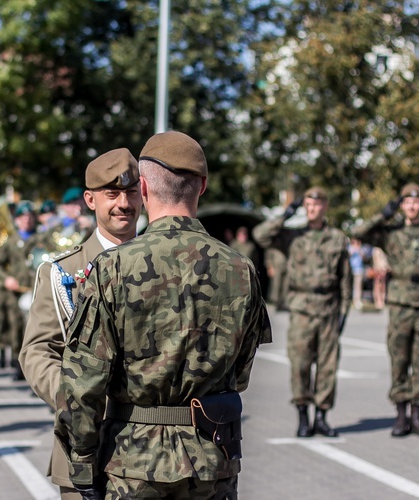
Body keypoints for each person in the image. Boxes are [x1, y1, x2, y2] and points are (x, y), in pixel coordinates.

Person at [54, 131, 271, 499]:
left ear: (143, 186)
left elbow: (83, 382)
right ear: (202, 187)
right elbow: (241, 372)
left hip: (132, 466)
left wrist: (83, 462)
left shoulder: (113, 267)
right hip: (211, 462)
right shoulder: (240, 269)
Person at [20, 148, 142, 499]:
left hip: (154, 453)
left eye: (131, 192)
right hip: (87, 448)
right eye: (111, 194)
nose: (123, 203)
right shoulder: (61, 273)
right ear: (91, 199)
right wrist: (72, 399)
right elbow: (37, 351)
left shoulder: (164, 264)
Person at [351, 183, 419, 437]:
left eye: (416, 202)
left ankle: (417, 414)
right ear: (402, 205)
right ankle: (400, 414)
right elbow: (359, 233)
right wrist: (384, 214)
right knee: (399, 361)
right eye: (407, 202)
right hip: (399, 305)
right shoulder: (390, 231)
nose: (412, 206)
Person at [253, 187, 352, 438]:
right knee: (300, 364)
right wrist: (286, 214)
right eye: (307, 205)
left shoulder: (338, 238)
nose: (312, 209)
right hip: (301, 309)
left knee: (328, 366)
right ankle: (302, 416)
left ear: (325, 206)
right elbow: (260, 235)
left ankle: (322, 416)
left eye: (316, 205)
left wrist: (344, 311)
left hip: (328, 307)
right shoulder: (292, 236)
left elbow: (345, 279)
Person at [0, 202, 40, 378]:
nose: (26, 220)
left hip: (37, 290)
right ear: (17, 220)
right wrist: (6, 279)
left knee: (34, 329)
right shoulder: (10, 242)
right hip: (16, 291)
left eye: (30, 216)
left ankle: (30, 366)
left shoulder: (41, 239)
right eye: (22, 217)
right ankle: (18, 364)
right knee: (16, 326)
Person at [349, 238, 366, 309]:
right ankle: (349, 299)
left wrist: (359, 251)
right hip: (350, 269)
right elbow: (348, 255)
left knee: (358, 286)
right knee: (349, 285)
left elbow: (365, 258)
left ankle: (357, 300)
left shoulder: (361, 248)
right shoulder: (349, 247)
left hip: (359, 269)